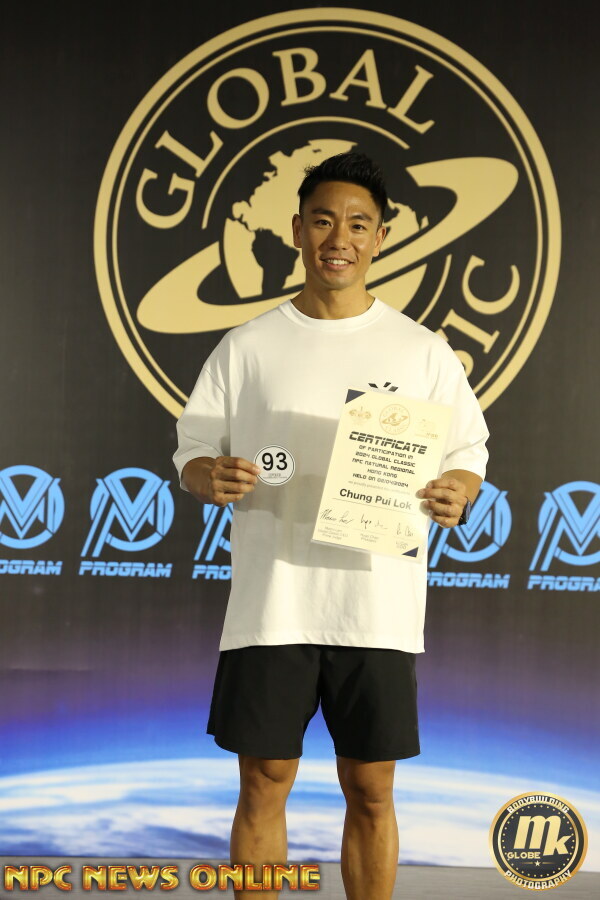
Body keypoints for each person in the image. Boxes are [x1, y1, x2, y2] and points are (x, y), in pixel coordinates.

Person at [173, 152, 489, 899]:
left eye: (356, 224)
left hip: (375, 604)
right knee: (264, 779)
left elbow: (467, 452)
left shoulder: (421, 350)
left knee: (371, 788)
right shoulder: (247, 346)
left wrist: (459, 490)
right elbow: (191, 452)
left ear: (381, 237)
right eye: (321, 221)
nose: (337, 239)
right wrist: (208, 475)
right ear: (295, 230)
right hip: (273, 601)